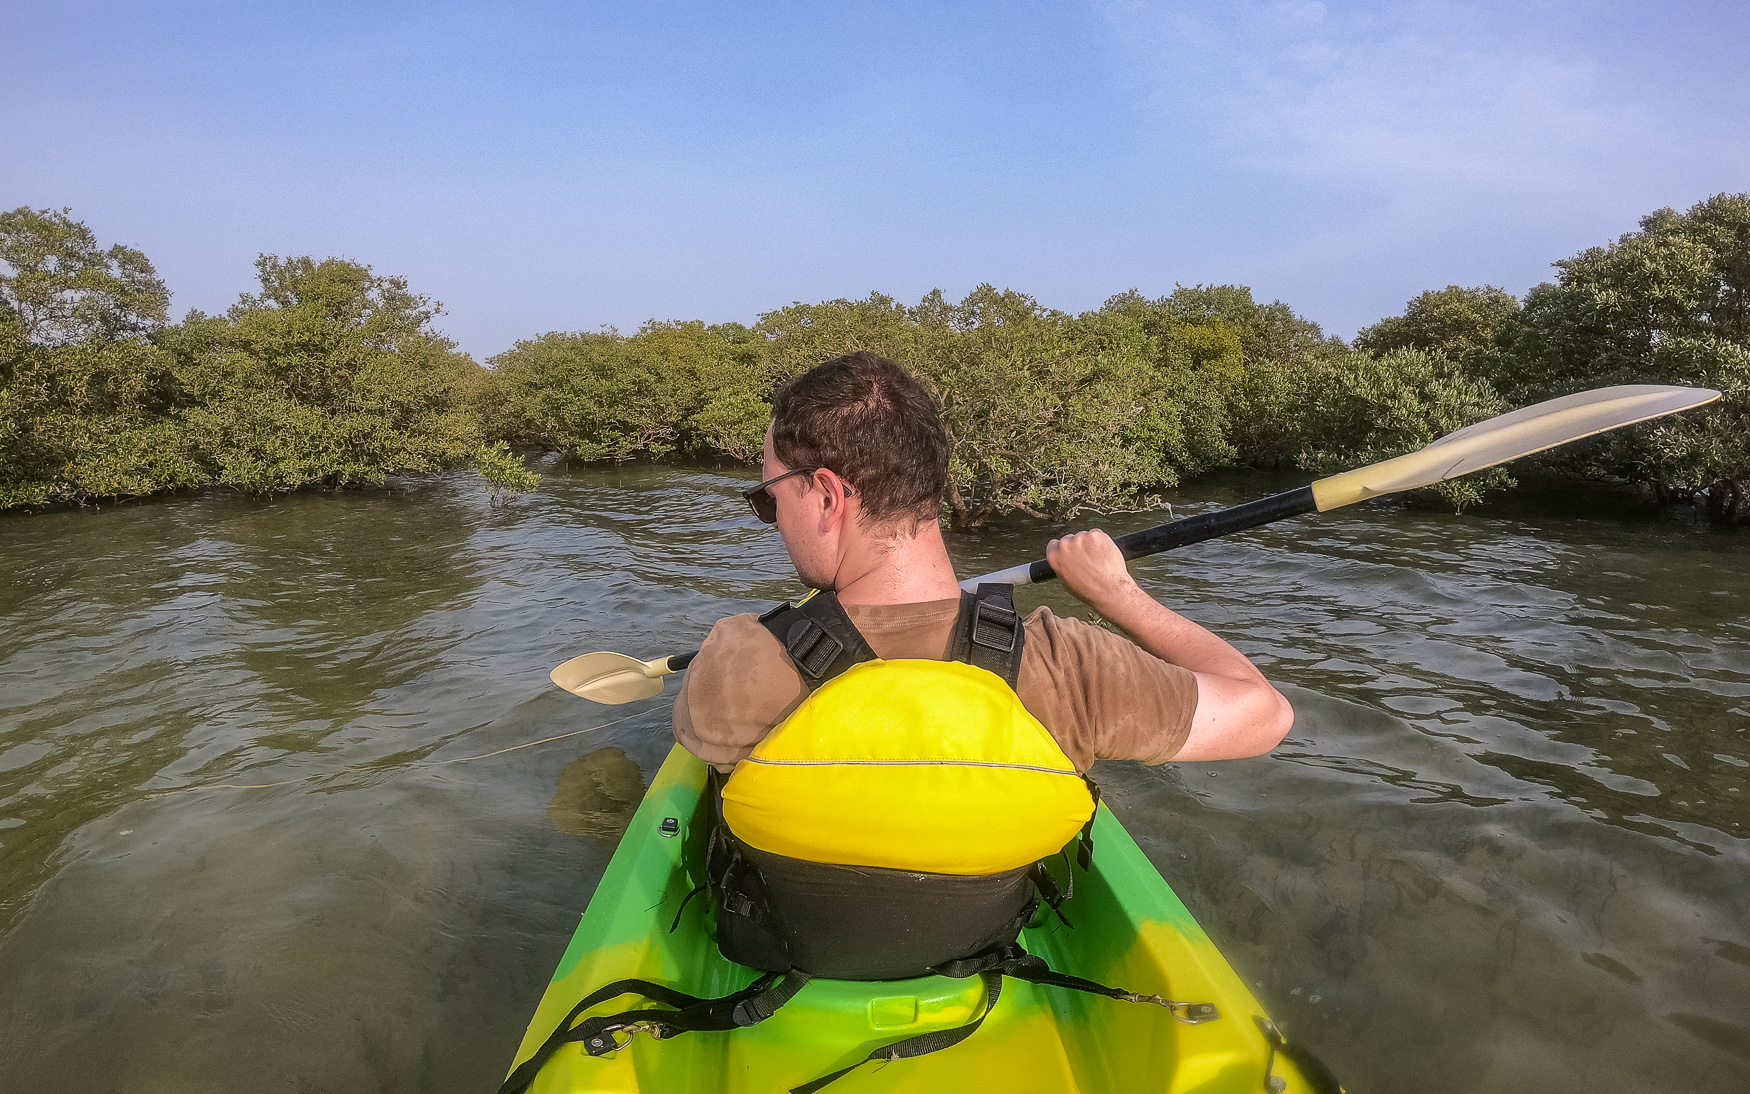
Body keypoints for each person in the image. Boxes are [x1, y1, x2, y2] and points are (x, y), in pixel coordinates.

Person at [675, 350, 1292, 774]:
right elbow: (1265, 713)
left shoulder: (739, 663)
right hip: (993, 958)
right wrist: (1118, 595)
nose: (771, 518)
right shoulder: (1070, 666)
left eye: (769, 497)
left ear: (829, 496)